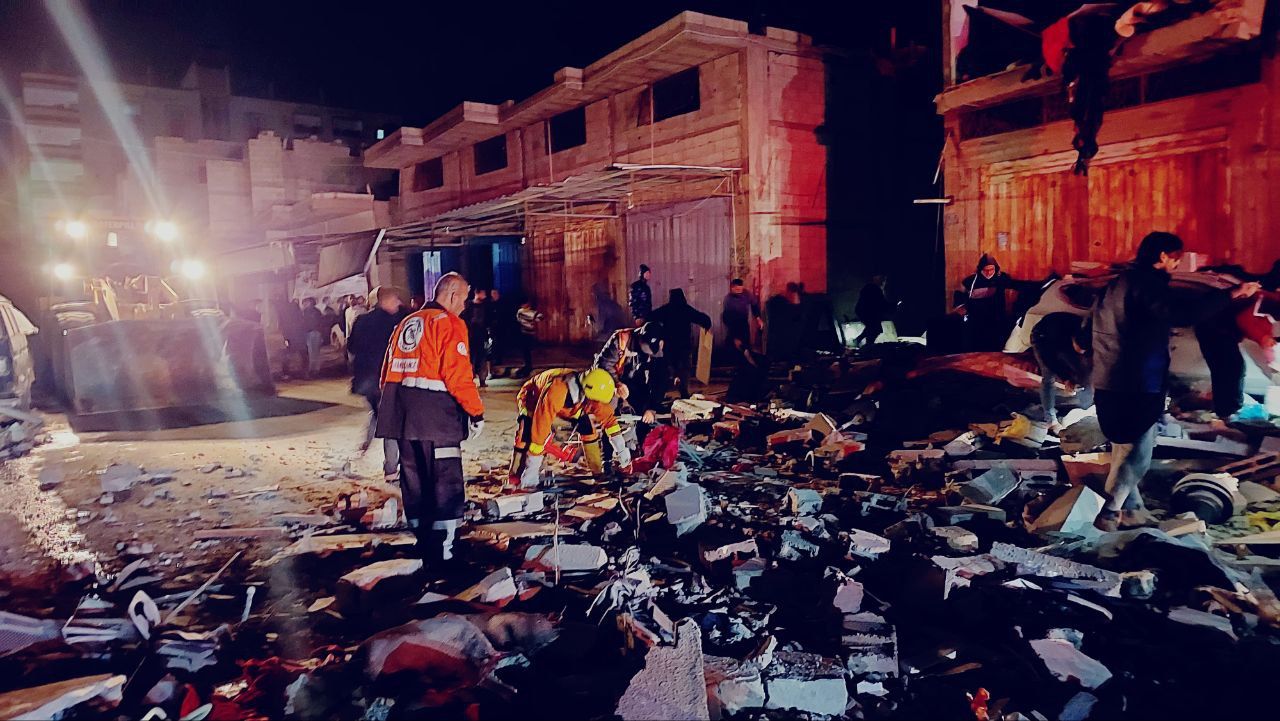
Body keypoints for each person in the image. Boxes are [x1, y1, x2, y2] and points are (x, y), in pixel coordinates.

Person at [1091, 232, 1258, 531]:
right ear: (1164, 256)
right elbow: (1181, 313)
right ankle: (1109, 513)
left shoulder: (1115, 284)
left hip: (1106, 378)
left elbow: (1090, 326)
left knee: (1122, 446)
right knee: (1138, 454)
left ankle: (1132, 510)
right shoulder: (1148, 284)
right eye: (1176, 259)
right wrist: (1233, 294)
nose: (1177, 265)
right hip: (1138, 381)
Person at [376, 273, 484, 561]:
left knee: (414, 480)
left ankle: (422, 542)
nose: (464, 305)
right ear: (451, 295)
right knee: (444, 480)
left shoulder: (406, 323)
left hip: (401, 415)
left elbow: (386, 371)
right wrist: (475, 412)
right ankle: (446, 550)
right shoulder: (449, 323)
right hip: (436, 417)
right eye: (463, 299)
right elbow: (458, 376)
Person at [509, 368, 632, 489]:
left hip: (573, 404)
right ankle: (516, 475)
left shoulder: (593, 393)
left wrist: (623, 453)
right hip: (532, 397)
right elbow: (540, 428)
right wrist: (532, 469)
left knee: (588, 430)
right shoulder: (557, 391)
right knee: (526, 434)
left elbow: (609, 421)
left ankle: (597, 472)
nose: (598, 406)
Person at [348, 286, 408, 482]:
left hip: (365, 380)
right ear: (386, 301)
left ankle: (365, 445)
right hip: (386, 379)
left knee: (378, 413)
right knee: (391, 422)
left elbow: (351, 347)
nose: (398, 304)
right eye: (396, 300)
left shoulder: (361, 320)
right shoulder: (395, 322)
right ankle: (391, 469)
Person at [593, 322, 665, 425]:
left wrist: (652, 408)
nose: (649, 355)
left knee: (644, 407)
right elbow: (602, 365)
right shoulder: (621, 340)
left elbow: (659, 380)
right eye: (646, 350)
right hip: (613, 381)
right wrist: (617, 383)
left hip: (633, 381)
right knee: (608, 411)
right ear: (640, 339)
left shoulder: (658, 351)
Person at [1031, 312, 1093, 431]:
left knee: (1084, 373)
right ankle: (1050, 420)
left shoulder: (1088, 332)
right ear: (1072, 339)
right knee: (1048, 377)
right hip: (1042, 336)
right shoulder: (1051, 338)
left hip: (1067, 335)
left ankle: (1087, 408)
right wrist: (1066, 378)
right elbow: (1050, 361)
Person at [648, 288, 712, 398]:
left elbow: (650, 317)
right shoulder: (686, 309)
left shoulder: (666, 309)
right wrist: (707, 327)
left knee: (668, 367)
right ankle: (683, 391)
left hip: (669, 346)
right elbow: (703, 318)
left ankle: (663, 392)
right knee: (684, 369)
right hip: (684, 346)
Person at [956, 254, 1016, 351]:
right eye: (985, 270)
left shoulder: (1002, 278)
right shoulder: (970, 281)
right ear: (980, 269)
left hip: (996, 319)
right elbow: (959, 294)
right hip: (976, 320)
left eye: (991, 270)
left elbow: (1017, 284)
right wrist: (961, 307)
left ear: (995, 269)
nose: (988, 273)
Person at [722, 279, 762, 353]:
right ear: (732, 288)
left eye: (740, 289)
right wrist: (734, 336)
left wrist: (758, 319)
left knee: (746, 347)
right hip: (733, 325)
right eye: (737, 289)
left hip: (744, 324)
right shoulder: (728, 299)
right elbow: (726, 317)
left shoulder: (746, 294)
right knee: (734, 349)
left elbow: (754, 305)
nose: (739, 291)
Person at [275, 296, 309, 379]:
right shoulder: (299, 316)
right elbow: (304, 326)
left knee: (287, 356)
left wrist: (286, 338)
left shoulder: (286, 318)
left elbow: (284, 328)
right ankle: (305, 373)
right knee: (304, 355)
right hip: (300, 338)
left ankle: (286, 373)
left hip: (291, 338)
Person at [854, 275, 891, 347]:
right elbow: (881, 303)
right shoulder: (873, 288)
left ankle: (862, 342)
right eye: (882, 280)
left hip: (865, 312)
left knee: (872, 328)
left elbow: (880, 303)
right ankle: (866, 344)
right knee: (874, 328)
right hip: (867, 312)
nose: (883, 282)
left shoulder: (871, 288)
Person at [466, 288, 490, 387]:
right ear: (477, 293)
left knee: (481, 357)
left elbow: (487, 320)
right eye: (483, 293)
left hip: (481, 335)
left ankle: (482, 380)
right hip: (470, 335)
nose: (484, 295)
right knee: (470, 358)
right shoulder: (468, 305)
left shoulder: (485, 306)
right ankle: (469, 379)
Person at [515, 299, 545, 378]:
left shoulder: (522, 312)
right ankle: (528, 366)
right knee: (526, 351)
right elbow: (540, 317)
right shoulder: (525, 312)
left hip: (526, 333)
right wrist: (533, 318)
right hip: (526, 333)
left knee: (526, 351)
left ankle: (527, 366)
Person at [488, 288, 514, 377]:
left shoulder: (502, 304)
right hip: (493, 327)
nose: (494, 295)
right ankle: (495, 359)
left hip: (501, 327)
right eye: (493, 293)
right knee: (494, 344)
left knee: (500, 343)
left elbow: (505, 315)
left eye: (495, 293)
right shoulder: (490, 304)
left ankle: (499, 359)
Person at [301, 298, 325, 376]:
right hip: (312, 332)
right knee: (313, 351)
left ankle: (314, 369)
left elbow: (320, 322)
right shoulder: (309, 311)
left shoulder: (312, 312)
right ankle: (314, 369)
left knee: (313, 351)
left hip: (313, 332)